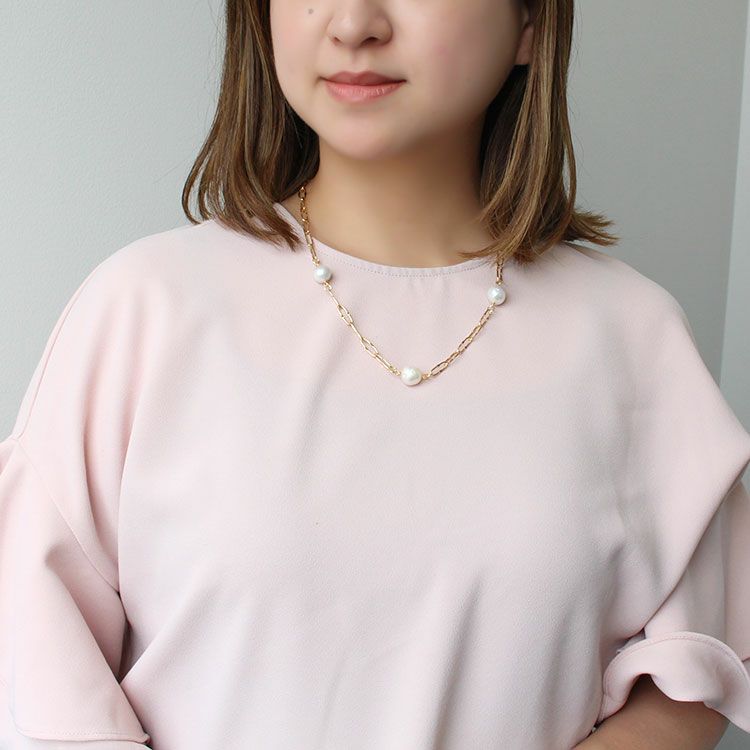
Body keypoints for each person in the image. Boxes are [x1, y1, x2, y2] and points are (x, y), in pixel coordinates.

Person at [1, 0, 749, 748]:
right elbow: (35, 661)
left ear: (529, 24)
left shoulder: (632, 336)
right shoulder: (145, 309)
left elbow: (701, 666)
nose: (354, 23)